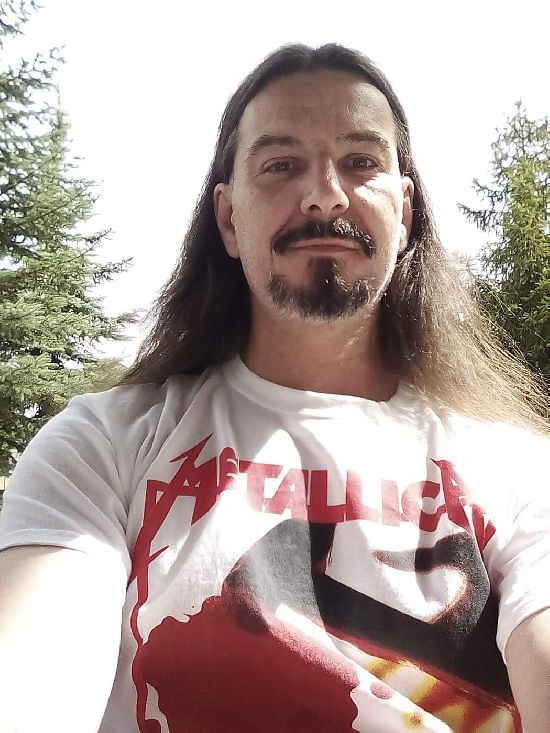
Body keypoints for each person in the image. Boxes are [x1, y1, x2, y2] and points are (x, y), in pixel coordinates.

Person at [0, 44, 548, 733]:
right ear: (229, 219)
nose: (325, 194)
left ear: (405, 212)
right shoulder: (103, 447)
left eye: (361, 161)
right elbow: (29, 679)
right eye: (281, 165)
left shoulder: (521, 471)